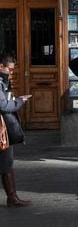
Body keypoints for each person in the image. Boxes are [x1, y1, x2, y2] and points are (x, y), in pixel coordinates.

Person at [0, 54, 32, 206]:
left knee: (6, 162)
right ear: (1, 66)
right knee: (6, 161)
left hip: (4, 128)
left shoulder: (4, 81)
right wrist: (20, 101)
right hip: (2, 130)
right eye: (10, 70)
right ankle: (12, 197)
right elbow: (4, 106)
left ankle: (12, 197)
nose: (11, 73)